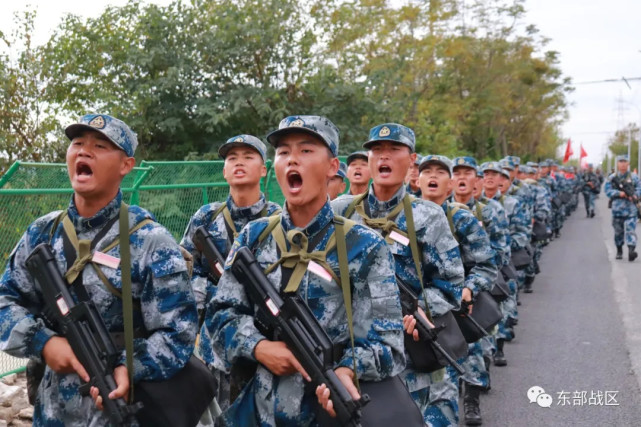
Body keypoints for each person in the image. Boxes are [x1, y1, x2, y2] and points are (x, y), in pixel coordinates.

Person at [204, 115, 406, 425]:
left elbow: (390, 344)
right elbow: (220, 317)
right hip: (259, 410)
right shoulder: (253, 237)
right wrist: (258, 347)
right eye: (283, 152)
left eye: (306, 150)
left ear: (332, 167)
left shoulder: (364, 245)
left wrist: (348, 369)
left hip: (329, 413)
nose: (292, 160)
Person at [0, 114, 197, 425]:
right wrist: (45, 342)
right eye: (77, 144)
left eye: (100, 146)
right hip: (52, 414)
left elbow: (179, 333)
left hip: (122, 410)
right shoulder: (42, 233)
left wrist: (129, 366)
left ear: (126, 165)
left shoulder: (150, 241)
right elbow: (5, 301)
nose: (84, 152)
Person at [332, 123, 465, 424]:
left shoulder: (428, 216)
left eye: (394, 150)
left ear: (411, 161)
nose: (384, 157)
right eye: (377, 151)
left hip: (407, 352)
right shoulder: (340, 211)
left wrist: (421, 307)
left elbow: (451, 283)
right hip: (349, 348)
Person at [180, 134, 281, 418]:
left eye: (248, 157)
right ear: (224, 171)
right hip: (212, 346)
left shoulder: (277, 220)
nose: (239, 163)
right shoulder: (206, 218)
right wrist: (219, 295)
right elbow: (186, 274)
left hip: (261, 348)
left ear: (263, 170)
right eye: (232, 158)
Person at [419, 155, 497, 426]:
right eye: (426, 171)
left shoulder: (461, 219)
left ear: (449, 183)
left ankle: (471, 397)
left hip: (453, 310)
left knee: (453, 371)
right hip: (412, 313)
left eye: (440, 172)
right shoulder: (402, 220)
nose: (432, 176)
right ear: (417, 180)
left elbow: (487, 264)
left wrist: (468, 290)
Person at [604, 155, 641, 261]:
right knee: (618, 232)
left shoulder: (634, 177)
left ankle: (631, 251)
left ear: (628, 163)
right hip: (617, 209)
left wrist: (635, 195)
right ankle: (619, 250)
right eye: (621, 162)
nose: (623, 164)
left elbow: (639, 188)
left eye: (625, 162)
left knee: (630, 230)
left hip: (631, 209)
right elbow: (607, 191)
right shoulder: (612, 177)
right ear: (617, 164)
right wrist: (618, 193)